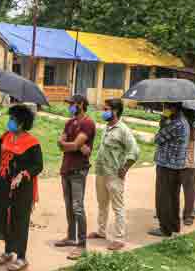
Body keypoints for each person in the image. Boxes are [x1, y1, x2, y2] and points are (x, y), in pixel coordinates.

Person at [0, 104, 43, 271]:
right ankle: (8, 251)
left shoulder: (32, 143)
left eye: (12, 119)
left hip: (22, 188)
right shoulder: (5, 136)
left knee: (20, 220)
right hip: (4, 185)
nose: (9, 122)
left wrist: (22, 175)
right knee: (5, 216)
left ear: (21, 123)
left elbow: (38, 166)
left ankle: (21, 257)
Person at [88, 99, 139, 250]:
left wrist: (125, 168)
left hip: (114, 174)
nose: (104, 111)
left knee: (117, 206)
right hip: (101, 172)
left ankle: (119, 238)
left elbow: (134, 151)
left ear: (115, 111)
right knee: (102, 204)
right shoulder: (107, 127)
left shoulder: (123, 130)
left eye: (106, 109)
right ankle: (101, 231)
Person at [55, 95, 96, 259]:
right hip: (66, 168)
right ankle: (71, 237)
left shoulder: (88, 123)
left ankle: (82, 244)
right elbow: (63, 143)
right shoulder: (69, 122)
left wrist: (72, 146)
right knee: (68, 205)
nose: (70, 107)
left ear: (81, 104)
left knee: (78, 207)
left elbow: (74, 144)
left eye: (72, 104)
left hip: (79, 170)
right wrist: (72, 146)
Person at [150, 102, 189, 236]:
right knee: (173, 197)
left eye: (166, 107)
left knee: (164, 198)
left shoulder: (175, 124)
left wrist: (162, 123)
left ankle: (165, 228)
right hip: (177, 166)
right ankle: (174, 225)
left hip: (167, 165)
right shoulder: (183, 121)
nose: (164, 110)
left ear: (173, 108)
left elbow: (158, 139)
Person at [180, 110, 195, 226]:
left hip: (189, 163)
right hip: (177, 163)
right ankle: (169, 211)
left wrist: (189, 125)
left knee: (189, 191)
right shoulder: (178, 123)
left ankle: (189, 215)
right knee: (173, 190)